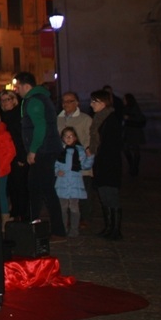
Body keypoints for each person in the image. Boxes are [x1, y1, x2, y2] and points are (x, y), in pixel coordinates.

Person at [13, 71, 67, 240]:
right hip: (45, 149)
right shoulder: (38, 99)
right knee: (35, 188)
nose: (16, 90)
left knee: (45, 189)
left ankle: (58, 230)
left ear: (26, 86)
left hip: (43, 151)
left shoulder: (34, 101)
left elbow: (40, 127)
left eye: (17, 86)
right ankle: (34, 224)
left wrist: (33, 150)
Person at [88, 89, 124, 240]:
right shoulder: (99, 118)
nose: (91, 104)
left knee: (111, 196)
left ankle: (115, 229)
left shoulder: (110, 119)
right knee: (104, 196)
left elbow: (110, 144)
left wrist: (96, 152)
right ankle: (108, 227)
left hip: (109, 164)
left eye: (94, 101)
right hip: (101, 162)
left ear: (103, 103)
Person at [57, 91, 94, 227]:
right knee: (65, 191)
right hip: (64, 161)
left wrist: (85, 152)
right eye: (64, 101)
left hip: (79, 159)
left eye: (69, 101)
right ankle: (68, 217)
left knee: (83, 189)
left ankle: (85, 217)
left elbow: (90, 137)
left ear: (77, 103)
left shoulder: (85, 119)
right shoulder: (59, 119)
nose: (66, 104)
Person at [54, 127, 94, 237]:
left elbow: (85, 165)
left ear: (75, 138)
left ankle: (74, 229)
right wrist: (57, 171)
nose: (68, 138)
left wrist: (90, 157)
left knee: (74, 207)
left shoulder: (79, 151)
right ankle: (63, 228)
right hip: (62, 183)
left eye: (71, 136)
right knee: (62, 207)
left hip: (75, 183)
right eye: (66, 136)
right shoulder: (59, 150)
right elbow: (54, 164)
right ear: (62, 138)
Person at [0, 89, 29, 222]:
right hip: (8, 158)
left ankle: (23, 216)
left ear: (14, 100)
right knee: (12, 188)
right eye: (3, 100)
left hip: (18, 157)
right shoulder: (5, 117)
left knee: (20, 187)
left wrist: (22, 157)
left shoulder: (17, 116)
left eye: (8, 99)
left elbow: (21, 138)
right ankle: (16, 214)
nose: (5, 102)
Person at [0, 111, 16, 232]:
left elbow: (10, 152)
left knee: (1, 194)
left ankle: (5, 220)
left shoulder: (3, 134)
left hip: (1, 169)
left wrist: (1, 166)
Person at [122, 93, 147, 177]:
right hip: (128, 131)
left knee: (135, 149)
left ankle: (135, 167)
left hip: (135, 131)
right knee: (126, 148)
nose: (123, 101)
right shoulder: (125, 108)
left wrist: (129, 118)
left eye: (125, 99)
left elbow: (139, 118)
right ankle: (132, 165)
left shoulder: (134, 108)